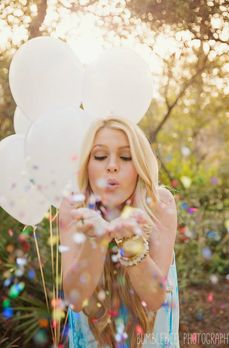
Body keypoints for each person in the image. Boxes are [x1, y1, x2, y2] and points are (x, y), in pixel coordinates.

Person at [59, 117, 180, 348]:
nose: (112, 166)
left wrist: (128, 240)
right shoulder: (73, 207)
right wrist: (98, 238)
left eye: (125, 157)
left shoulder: (159, 203)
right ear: (87, 164)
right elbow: (76, 300)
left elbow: (154, 299)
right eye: (100, 156)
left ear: (139, 167)